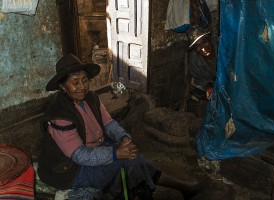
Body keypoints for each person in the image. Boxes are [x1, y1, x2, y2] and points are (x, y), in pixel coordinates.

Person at [37, 53, 210, 200]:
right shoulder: (59, 116)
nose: (82, 87)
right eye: (75, 82)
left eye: (84, 80)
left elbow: (109, 123)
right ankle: (164, 189)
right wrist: (115, 152)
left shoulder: (90, 98)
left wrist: (124, 138)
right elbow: (80, 156)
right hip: (70, 170)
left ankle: (177, 187)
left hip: (94, 149)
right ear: (62, 86)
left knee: (135, 157)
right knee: (126, 164)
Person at [187, 26, 216, 100]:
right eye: (197, 46)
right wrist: (209, 86)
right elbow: (201, 80)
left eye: (203, 42)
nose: (202, 48)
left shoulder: (221, 47)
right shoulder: (194, 61)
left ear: (209, 40)